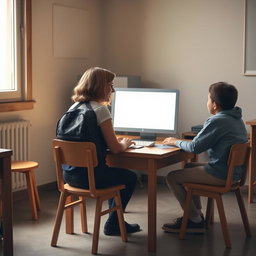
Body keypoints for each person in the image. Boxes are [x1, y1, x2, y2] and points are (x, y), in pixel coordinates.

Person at [62, 67, 140, 236]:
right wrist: (125, 143)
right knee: (129, 176)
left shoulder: (73, 108)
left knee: (115, 173)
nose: (113, 90)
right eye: (110, 85)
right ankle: (114, 223)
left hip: (70, 177)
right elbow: (115, 149)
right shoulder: (100, 110)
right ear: (100, 87)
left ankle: (115, 221)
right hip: (93, 179)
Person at [162, 82, 247, 234]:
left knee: (172, 177)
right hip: (233, 174)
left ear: (214, 104)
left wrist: (174, 141)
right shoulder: (236, 118)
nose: (207, 102)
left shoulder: (217, 120)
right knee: (188, 168)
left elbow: (195, 147)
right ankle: (196, 215)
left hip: (219, 175)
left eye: (208, 99)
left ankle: (194, 219)